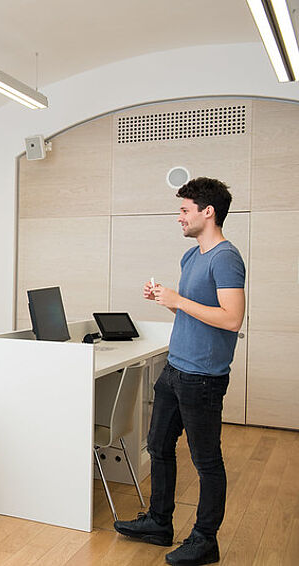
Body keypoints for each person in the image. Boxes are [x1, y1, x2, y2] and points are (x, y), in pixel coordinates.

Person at [113, 178, 246, 566]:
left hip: (203, 376)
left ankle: (205, 540)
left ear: (208, 212)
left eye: (185, 210)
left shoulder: (226, 257)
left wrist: (178, 299)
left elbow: (232, 318)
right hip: (175, 368)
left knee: (206, 462)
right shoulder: (190, 258)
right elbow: (194, 312)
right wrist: (166, 301)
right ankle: (159, 522)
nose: (180, 218)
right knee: (157, 446)